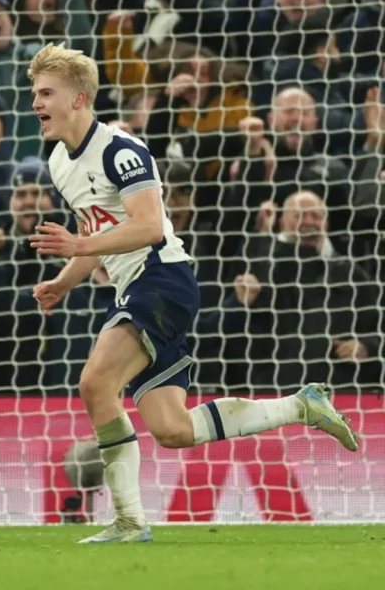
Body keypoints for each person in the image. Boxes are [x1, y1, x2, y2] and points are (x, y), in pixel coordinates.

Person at [24, 42, 359, 544]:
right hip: (134, 288)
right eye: (34, 93)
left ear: (78, 98)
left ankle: (129, 522)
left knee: (96, 383)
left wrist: (80, 243)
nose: (36, 103)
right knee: (172, 429)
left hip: (161, 279)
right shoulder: (58, 162)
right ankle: (301, 406)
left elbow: (150, 226)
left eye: (45, 93)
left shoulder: (121, 150)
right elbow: (99, 233)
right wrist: (65, 280)